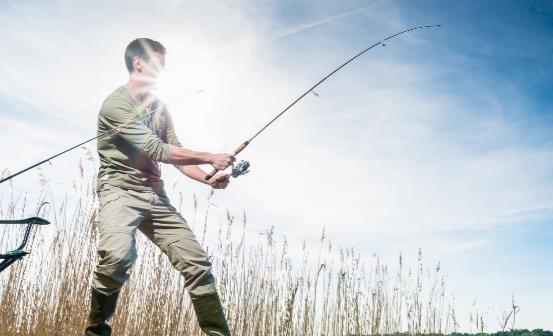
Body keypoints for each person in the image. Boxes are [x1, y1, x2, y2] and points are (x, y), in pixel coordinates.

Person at [85, 38, 234, 336]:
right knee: (116, 256)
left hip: (155, 195)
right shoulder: (116, 104)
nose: (164, 67)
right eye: (158, 61)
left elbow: (175, 154)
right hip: (119, 191)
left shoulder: (160, 108)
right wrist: (209, 155)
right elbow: (156, 149)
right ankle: (96, 330)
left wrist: (208, 176)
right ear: (138, 62)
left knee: (197, 264)